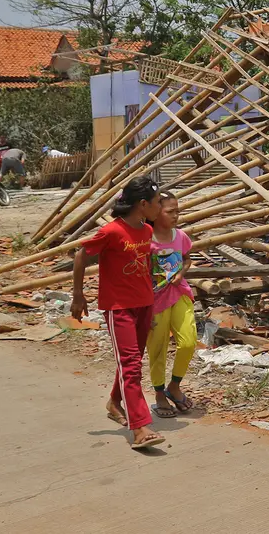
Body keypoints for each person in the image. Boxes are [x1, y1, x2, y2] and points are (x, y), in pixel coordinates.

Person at [71, 175, 165, 450]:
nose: (160, 208)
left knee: (130, 361)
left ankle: (114, 402)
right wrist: (78, 295)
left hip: (144, 303)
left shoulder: (147, 231)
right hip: (118, 307)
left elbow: (145, 266)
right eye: (158, 203)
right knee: (132, 366)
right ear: (143, 203)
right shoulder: (112, 232)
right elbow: (81, 255)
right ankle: (140, 428)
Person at [146, 191, 197, 418]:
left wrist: (181, 273)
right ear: (156, 213)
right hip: (154, 300)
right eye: (170, 211)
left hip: (179, 293)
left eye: (178, 210)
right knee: (157, 349)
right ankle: (159, 393)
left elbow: (187, 258)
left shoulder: (180, 236)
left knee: (188, 341)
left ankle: (174, 386)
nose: (176, 215)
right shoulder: (146, 240)